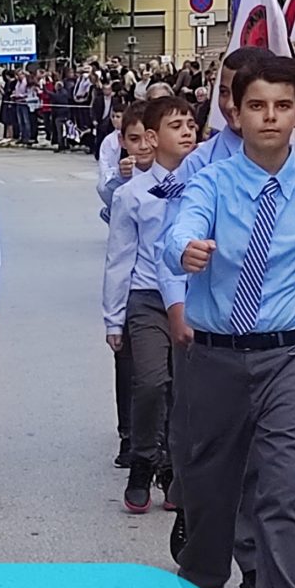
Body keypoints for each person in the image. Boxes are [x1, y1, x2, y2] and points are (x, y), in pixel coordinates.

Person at [159, 50, 295, 588]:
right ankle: (201, 582)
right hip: (214, 353)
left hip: (289, 354)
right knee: (210, 484)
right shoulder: (209, 182)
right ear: (235, 113)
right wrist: (186, 249)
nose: (269, 117)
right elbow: (179, 228)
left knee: (286, 486)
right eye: (257, 105)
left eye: (283, 106)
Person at [105, 95, 195, 514]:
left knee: (183, 388)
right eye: (177, 126)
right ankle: (142, 459)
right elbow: (119, 256)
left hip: (194, 300)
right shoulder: (132, 194)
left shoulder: (205, 187)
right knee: (151, 381)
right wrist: (113, 318)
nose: (188, 132)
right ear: (154, 138)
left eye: (191, 124)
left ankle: (174, 466)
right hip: (147, 298)